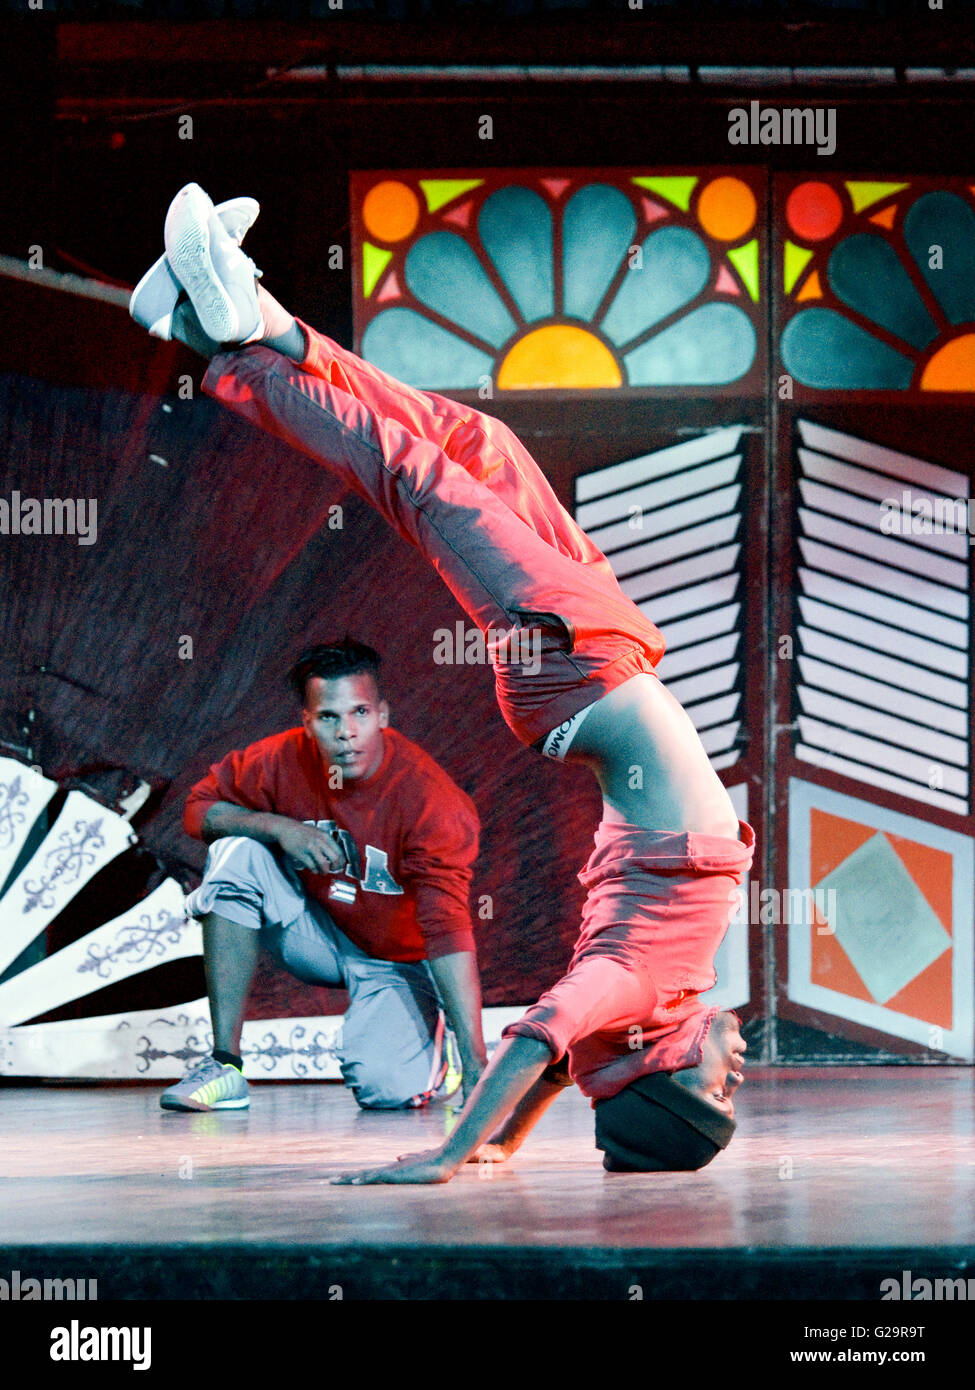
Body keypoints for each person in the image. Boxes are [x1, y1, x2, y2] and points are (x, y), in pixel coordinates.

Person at [131, 183, 753, 1178]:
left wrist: (452, 1153)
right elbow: (557, 1069)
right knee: (483, 449)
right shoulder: (650, 1003)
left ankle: (221, 350)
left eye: (720, 1084)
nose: (740, 1059)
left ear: (664, 1068)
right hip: (602, 656)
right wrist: (502, 1144)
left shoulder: (632, 985)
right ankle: (244, 318)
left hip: (575, 667)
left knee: (416, 478)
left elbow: (540, 1039)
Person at [162, 635, 486, 1113]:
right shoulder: (280, 758)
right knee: (236, 851)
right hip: (320, 933)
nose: (346, 732)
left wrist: (478, 1060)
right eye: (329, 717)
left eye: (359, 713)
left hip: (397, 963)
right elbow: (197, 810)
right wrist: (275, 826)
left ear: (383, 716)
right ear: (308, 721)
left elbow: (446, 929)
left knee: (386, 1091)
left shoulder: (427, 797)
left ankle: (438, 1045)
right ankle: (226, 1065)